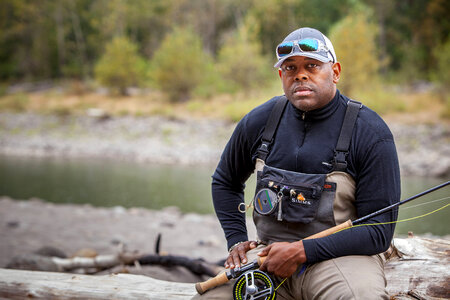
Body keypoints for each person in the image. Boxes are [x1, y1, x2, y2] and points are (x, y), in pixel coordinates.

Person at [196, 27, 400, 299]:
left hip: (343, 259)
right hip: (268, 256)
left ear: (335, 72)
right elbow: (225, 181)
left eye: (312, 66)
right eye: (290, 68)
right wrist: (236, 241)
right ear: (282, 76)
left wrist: (301, 251)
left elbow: (378, 232)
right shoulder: (260, 120)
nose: (301, 74)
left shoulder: (371, 132)